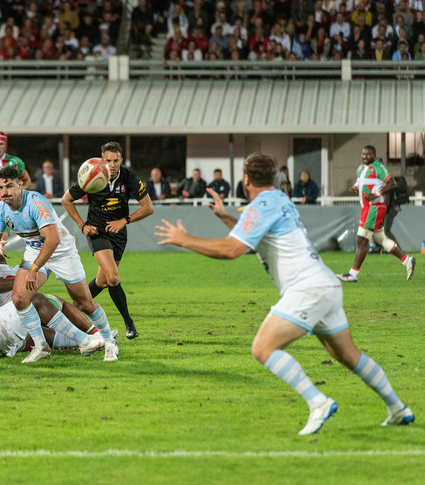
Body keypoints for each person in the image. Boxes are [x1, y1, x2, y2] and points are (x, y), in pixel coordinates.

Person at [155, 152, 415, 435]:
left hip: (307, 288)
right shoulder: (278, 199)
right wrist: (226, 218)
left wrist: (185, 240)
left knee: (263, 348)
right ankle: (398, 408)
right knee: (349, 355)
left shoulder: (260, 207)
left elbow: (233, 250)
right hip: (325, 284)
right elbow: (253, 240)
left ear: (245, 179)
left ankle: (318, 402)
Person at [0, 165, 119, 362]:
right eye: (0, 188)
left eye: (9, 186)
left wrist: (34, 269)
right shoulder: (1, 209)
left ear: (20, 185)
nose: (5, 192)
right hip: (34, 251)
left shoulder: (36, 203)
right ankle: (41, 346)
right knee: (19, 298)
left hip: (61, 252)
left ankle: (110, 342)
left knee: (85, 303)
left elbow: (53, 240)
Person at [62, 142, 154, 339]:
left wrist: (125, 220)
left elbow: (148, 207)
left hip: (119, 233)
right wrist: (82, 225)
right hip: (98, 232)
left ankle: (72, 309)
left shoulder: (128, 177)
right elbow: (66, 200)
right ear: (102, 159)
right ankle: (129, 325)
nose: (111, 165)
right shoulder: (92, 174)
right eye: (108, 160)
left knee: (103, 281)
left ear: (121, 160)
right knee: (113, 277)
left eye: (115, 160)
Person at [336, 146, 415, 283]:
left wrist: (376, 194)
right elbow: (361, 184)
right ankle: (407, 260)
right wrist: (355, 189)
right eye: (363, 153)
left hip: (374, 207)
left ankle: (353, 274)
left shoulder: (378, 167)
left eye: (368, 154)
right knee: (381, 240)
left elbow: (392, 184)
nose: (365, 156)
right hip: (367, 208)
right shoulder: (360, 168)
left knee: (362, 240)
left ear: (374, 155)